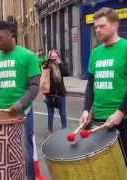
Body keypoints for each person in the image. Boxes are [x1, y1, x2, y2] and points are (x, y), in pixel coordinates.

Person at [0, 20, 41, 180]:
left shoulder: (28, 56)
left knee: (25, 153)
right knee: (3, 153)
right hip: (0, 114)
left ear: (11, 34)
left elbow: (34, 86)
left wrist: (19, 104)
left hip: (22, 114)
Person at [80, 7, 127, 157]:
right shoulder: (95, 53)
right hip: (98, 120)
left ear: (115, 25)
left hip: (122, 120)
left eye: (102, 26)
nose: (98, 30)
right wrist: (86, 109)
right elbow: (90, 85)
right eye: (96, 27)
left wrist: (121, 112)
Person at [43, 49, 69, 134]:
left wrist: (60, 63)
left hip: (60, 93)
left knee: (63, 114)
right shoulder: (47, 66)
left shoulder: (60, 65)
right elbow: (44, 77)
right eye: (52, 57)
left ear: (58, 56)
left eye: (55, 56)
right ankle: (49, 130)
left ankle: (64, 130)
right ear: (49, 57)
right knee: (50, 114)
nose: (54, 58)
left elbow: (67, 73)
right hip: (50, 94)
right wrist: (48, 63)